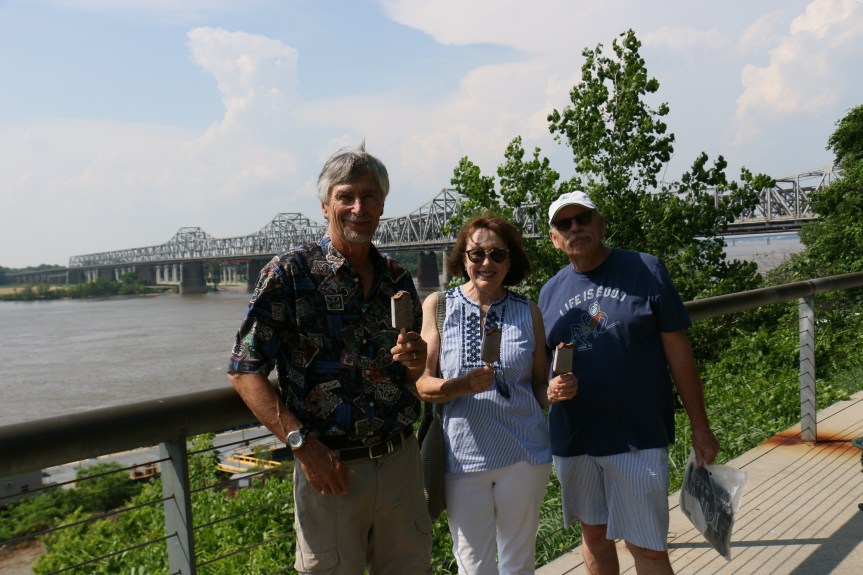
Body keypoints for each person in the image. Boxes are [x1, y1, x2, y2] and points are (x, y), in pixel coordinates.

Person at [227, 143, 432, 575]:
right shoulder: (288, 273)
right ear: (325, 206)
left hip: (400, 462)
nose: (359, 207)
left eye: (370, 195)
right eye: (346, 196)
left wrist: (415, 361)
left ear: (382, 205)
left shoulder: (397, 276)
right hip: (332, 471)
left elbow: (410, 373)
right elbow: (244, 370)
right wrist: (301, 445)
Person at [538, 191, 720, 575]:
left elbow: (679, 353)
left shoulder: (646, 269)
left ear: (600, 224)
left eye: (583, 219)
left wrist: (700, 428)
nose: (575, 228)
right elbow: (544, 369)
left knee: (648, 547)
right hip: (575, 438)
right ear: (554, 239)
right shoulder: (549, 291)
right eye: (564, 224)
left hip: (637, 436)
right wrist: (551, 389)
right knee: (594, 538)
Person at [417, 214, 573, 575]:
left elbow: (537, 386)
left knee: (519, 562)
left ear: (510, 261)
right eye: (477, 254)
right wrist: (460, 386)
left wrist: (553, 389)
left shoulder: (528, 311)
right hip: (462, 457)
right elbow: (423, 384)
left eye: (498, 254)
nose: (487, 263)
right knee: (474, 566)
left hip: (524, 453)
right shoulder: (438, 307)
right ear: (462, 259)